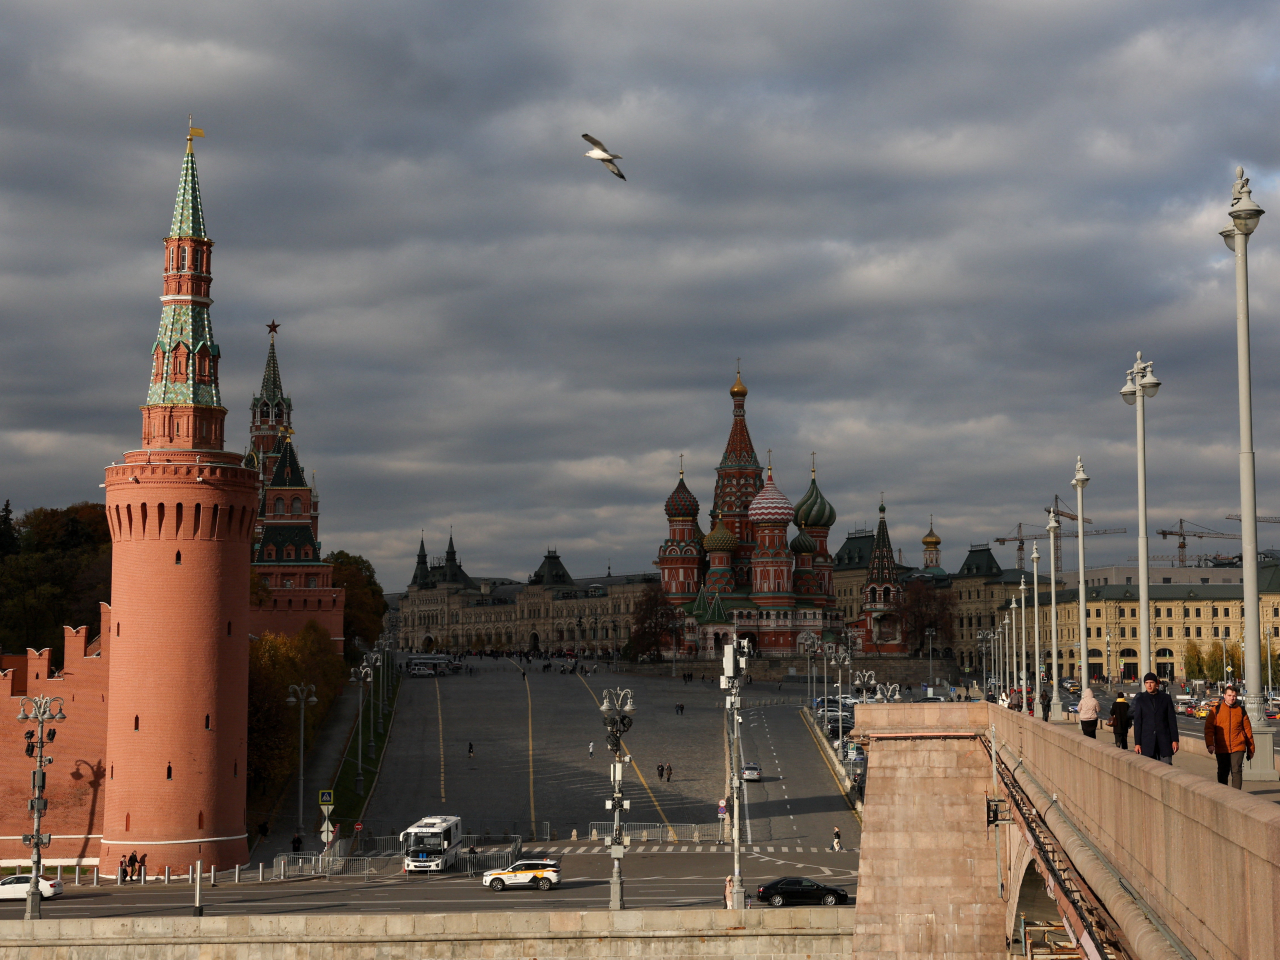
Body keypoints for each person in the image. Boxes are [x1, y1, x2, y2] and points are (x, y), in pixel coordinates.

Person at [1204, 684, 1254, 789]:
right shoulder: (1216, 710)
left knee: (1237, 771)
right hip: (1222, 746)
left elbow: (1248, 731)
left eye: (1234, 696)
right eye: (1230, 695)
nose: (1232, 698)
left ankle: (1236, 795)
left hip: (1238, 746)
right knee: (1223, 771)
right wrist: (1210, 744)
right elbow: (1209, 729)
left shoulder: (1241, 711)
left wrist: (1251, 749)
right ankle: (1224, 794)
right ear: (1224, 696)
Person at [1132, 672, 1180, 764]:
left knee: (1166, 767)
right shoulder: (1140, 700)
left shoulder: (1166, 698)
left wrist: (1175, 740)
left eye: (1151, 682)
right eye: (1147, 683)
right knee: (1149, 768)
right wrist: (1137, 743)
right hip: (1147, 742)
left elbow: (1172, 720)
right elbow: (1138, 723)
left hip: (1164, 741)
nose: (1149, 685)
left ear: (1156, 683)